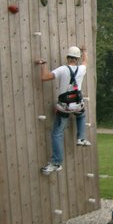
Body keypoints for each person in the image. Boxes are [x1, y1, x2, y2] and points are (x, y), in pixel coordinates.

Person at [36, 45, 91, 175]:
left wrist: (43, 65)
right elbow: (85, 61)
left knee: (57, 133)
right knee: (81, 115)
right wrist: (85, 51)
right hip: (78, 105)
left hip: (65, 107)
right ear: (77, 59)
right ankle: (81, 138)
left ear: (67, 57)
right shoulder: (81, 69)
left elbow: (44, 78)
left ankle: (56, 162)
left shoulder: (62, 69)